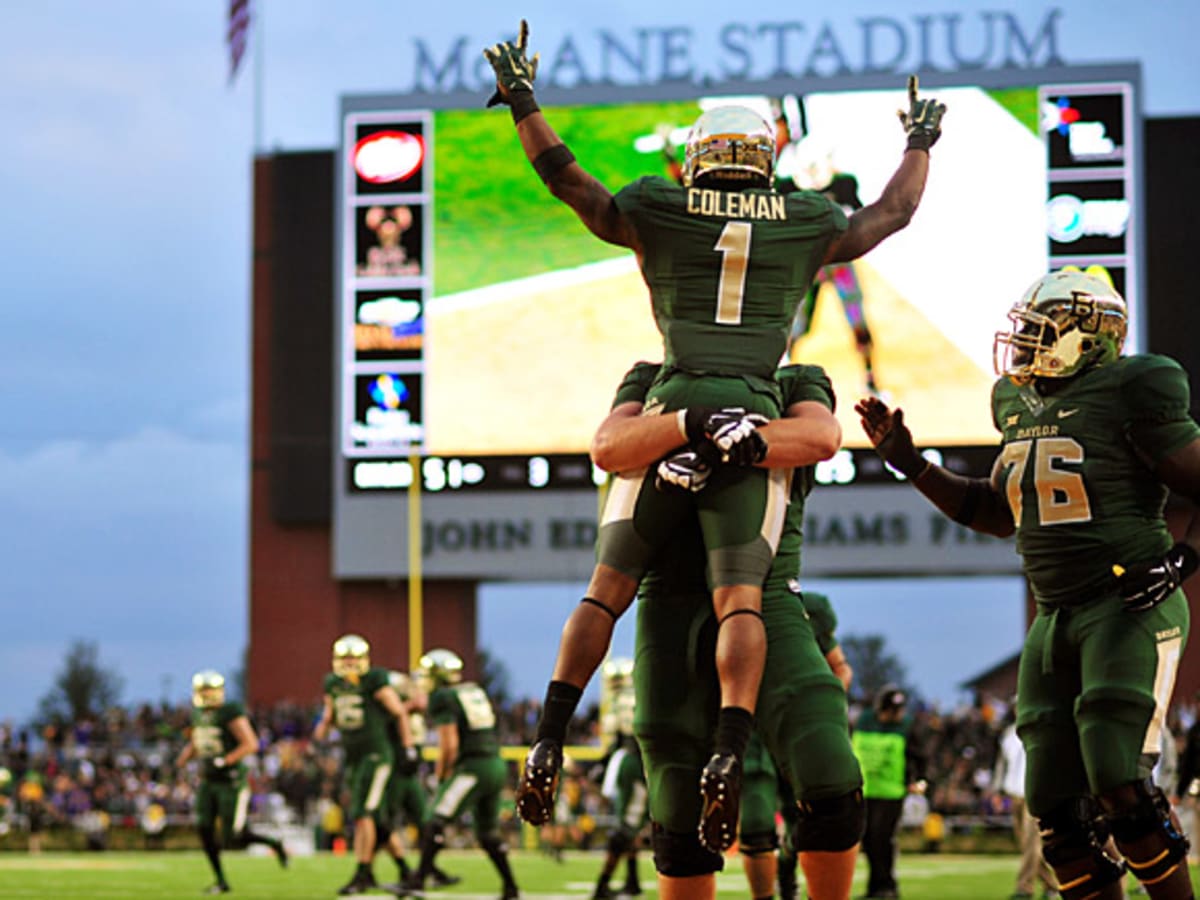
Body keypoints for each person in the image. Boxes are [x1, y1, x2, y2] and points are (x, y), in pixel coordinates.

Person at [483, 19, 944, 852]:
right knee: (740, 598)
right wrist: (919, 140)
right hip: (752, 408)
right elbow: (894, 211)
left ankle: (550, 728)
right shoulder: (804, 215)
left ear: (696, 156)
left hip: (669, 403)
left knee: (605, 589)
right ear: (765, 155)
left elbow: (572, 185)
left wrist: (523, 103)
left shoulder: (661, 202)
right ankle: (730, 749)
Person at [856, 268, 1200, 900]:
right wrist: (911, 463)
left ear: (1091, 335)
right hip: (1054, 617)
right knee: (1054, 808)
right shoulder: (1016, 403)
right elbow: (995, 510)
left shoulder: (1133, 387)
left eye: (1042, 331)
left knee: (1120, 780)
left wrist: (1183, 559)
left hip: (1124, 605)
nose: (1024, 344)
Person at [587, 358, 863, 900]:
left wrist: (723, 440)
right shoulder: (649, 381)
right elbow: (609, 447)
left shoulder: (797, 381)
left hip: (767, 591)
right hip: (670, 602)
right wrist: (694, 421)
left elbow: (820, 436)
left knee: (827, 761)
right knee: (675, 801)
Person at [403, 648, 520, 900]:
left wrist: (442, 773)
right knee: (487, 833)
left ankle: (419, 880)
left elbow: (450, 744)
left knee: (435, 819)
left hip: (473, 768)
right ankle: (511, 887)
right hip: (495, 764)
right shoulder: (472, 690)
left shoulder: (442, 696)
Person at [312, 634, 420, 896]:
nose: (349, 663)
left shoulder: (375, 679)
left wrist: (408, 746)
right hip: (354, 759)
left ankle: (363, 873)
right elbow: (329, 721)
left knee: (362, 815)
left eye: (353, 658)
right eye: (345, 658)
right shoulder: (333, 684)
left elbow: (399, 711)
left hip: (376, 755)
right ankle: (405, 870)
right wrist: (324, 726)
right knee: (377, 822)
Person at [174, 670, 288, 895]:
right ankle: (220, 880)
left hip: (231, 781)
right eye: (203, 690)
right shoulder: (199, 714)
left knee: (233, 836)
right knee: (204, 828)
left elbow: (251, 743)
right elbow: (201, 741)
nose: (206, 695)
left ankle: (275, 844)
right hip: (209, 781)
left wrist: (226, 760)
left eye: (210, 690)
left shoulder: (230, 711)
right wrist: (184, 757)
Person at [376, 669, 460, 895]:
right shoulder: (394, 710)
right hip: (397, 768)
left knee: (425, 824)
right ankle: (380, 870)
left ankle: (427, 871)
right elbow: (409, 708)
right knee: (384, 823)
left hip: (409, 772)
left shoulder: (411, 708)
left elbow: (421, 705)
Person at [851, 684, 927, 899]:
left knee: (882, 838)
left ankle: (888, 887)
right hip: (866, 790)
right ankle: (875, 887)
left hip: (892, 791)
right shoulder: (864, 721)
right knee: (868, 840)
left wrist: (918, 780)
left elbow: (919, 756)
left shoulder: (906, 726)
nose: (898, 715)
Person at [591, 658, 649, 900]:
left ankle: (615, 883)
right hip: (640, 762)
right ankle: (618, 883)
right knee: (629, 824)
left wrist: (600, 766)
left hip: (630, 762)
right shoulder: (641, 695)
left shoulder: (616, 702)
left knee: (627, 825)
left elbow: (614, 741)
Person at [992, 707, 1060, 900]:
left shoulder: (1041, 730)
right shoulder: (1009, 733)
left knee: (1031, 844)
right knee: (1025, 844)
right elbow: (1002, 764)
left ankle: (1024, 887)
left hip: (1033, 793)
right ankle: (1053, 885)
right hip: (1014, 793)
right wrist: (998, 791)